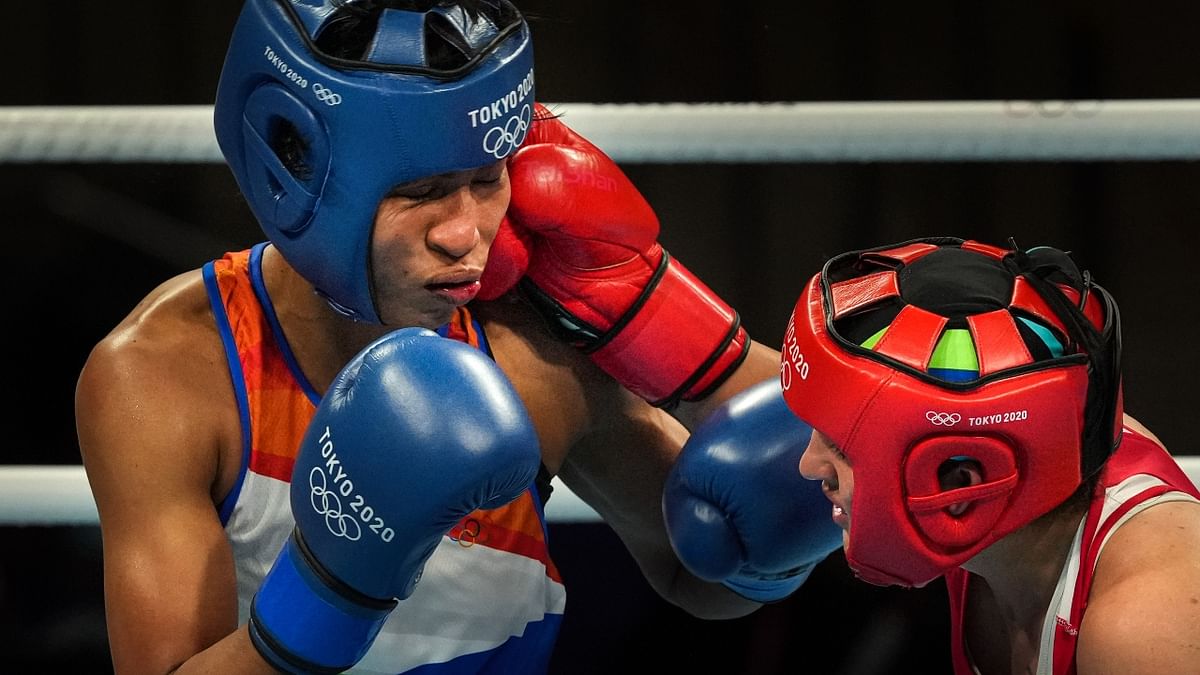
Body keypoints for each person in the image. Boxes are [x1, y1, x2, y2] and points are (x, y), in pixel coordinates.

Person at [74, 1, 842, 673]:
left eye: (488, 179)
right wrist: (330, 591)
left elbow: (708, 568)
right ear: (294, 165)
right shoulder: (165, 374)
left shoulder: (525, 345)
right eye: (422, 192)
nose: (468, 233)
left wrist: (663, 321)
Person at [772, 237, 1200, 674]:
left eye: (842, 447)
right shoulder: (1056, 448)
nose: (809, 466)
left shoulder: (1148, 632)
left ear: (959, 483)